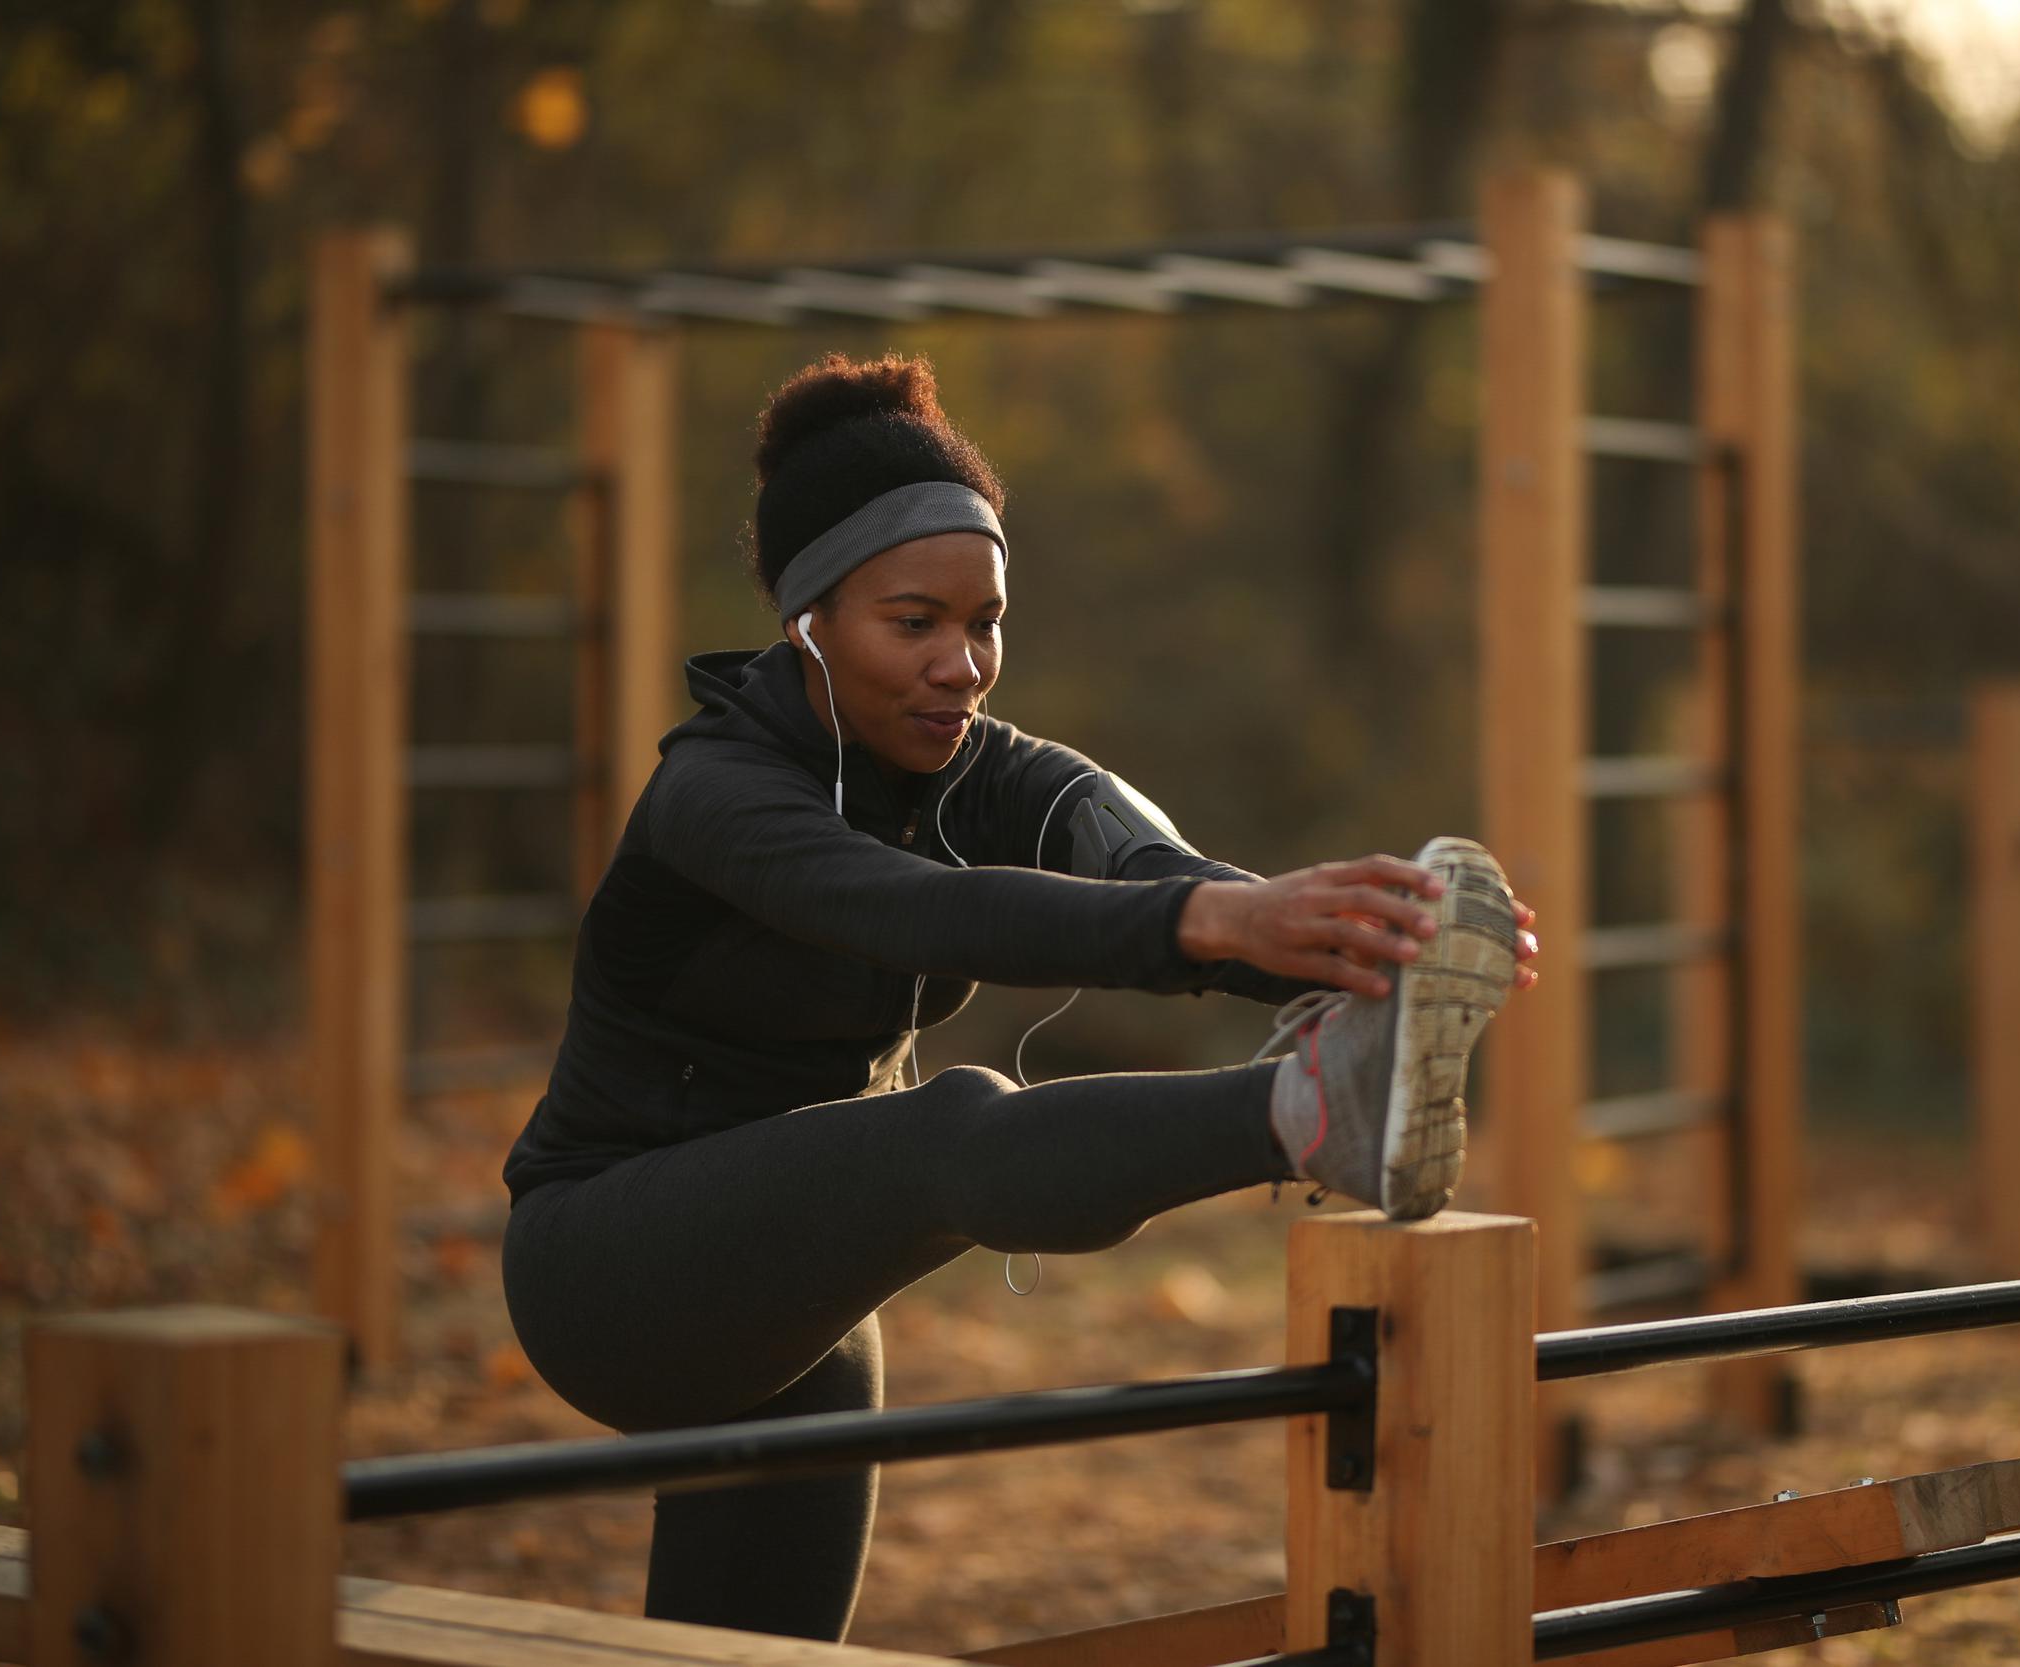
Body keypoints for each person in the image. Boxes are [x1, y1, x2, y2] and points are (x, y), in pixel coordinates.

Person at [498, 350, 1540, 1641]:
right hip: (611, 1271)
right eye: (915, 623)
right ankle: (1315, 1109)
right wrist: (1218, 920)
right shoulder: (717, 794)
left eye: (986, 622)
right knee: (951, 1128)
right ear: (809, 620)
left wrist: (1331, 945)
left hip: (800, 1302)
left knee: (751, 1656)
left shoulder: (985, 765)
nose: (964, 666)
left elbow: (1146, 863)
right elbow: (914, 908)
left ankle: (1348, 1059)